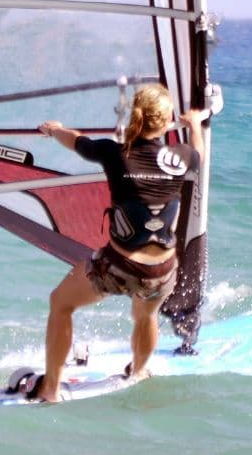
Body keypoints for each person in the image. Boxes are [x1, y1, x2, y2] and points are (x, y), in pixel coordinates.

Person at [26, 84, 206, 403]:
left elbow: (77, 142)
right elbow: (199, 155)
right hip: (161, 271)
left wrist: (54, 130)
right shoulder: (181, 157)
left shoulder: (114, 152)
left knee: (60, 303)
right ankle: (138, 371)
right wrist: (192, 124)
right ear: (166, 122)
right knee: (146, 315)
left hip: (118, 267)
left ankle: (51, 390)